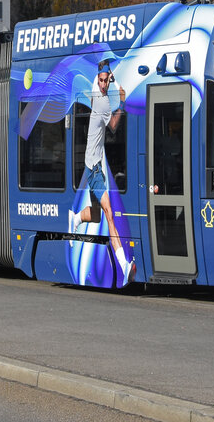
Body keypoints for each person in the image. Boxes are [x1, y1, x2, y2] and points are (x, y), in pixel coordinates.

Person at [69, 59, 135, 282]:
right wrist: (123, 103)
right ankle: (124, 265)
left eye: (107, 80)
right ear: (98, 79)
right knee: (109, 214)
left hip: (94, 166)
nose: (104, 84)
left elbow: (106, 76)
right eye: (102, 80)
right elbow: (114, 127)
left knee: (95, 216)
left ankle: (76, 218)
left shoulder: (95, 85)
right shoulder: (102, 102)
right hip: (95, 169)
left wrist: (111, 77)